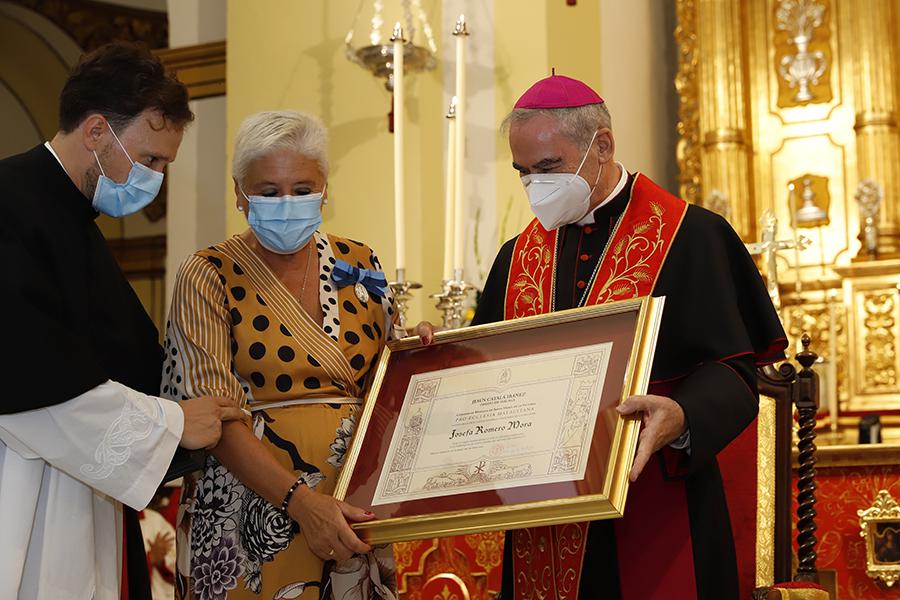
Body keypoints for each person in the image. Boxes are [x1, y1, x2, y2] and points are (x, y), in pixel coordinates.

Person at [472, 74, 787, 599]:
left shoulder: (692, 235)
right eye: (523, 173)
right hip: (544, 518)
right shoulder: (515, 258)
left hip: (659, 504)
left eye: (548, 168)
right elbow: (487, 375)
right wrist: (439, 356)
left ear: (602, 146)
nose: (535, 186)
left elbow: (735, 372)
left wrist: (681, 415)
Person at [0, 42, 244, 600]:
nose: (156, 178)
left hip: (81, 491)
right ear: (95, 132)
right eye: (151, 159)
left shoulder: (72, 220)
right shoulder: (9, 206)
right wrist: (173, 423)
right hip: (20, 489)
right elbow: (28, 382)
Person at [163, 110, 434, 600]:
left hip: (352, 508)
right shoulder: (207, 273)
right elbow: (213, 418)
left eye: (302, 187)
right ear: (239, 194)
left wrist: (417, 349)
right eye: (268, 191)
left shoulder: (359, 260)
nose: (286, 202)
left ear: (325, 188)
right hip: (247, 512)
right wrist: (301, 502)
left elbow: (384, 382)